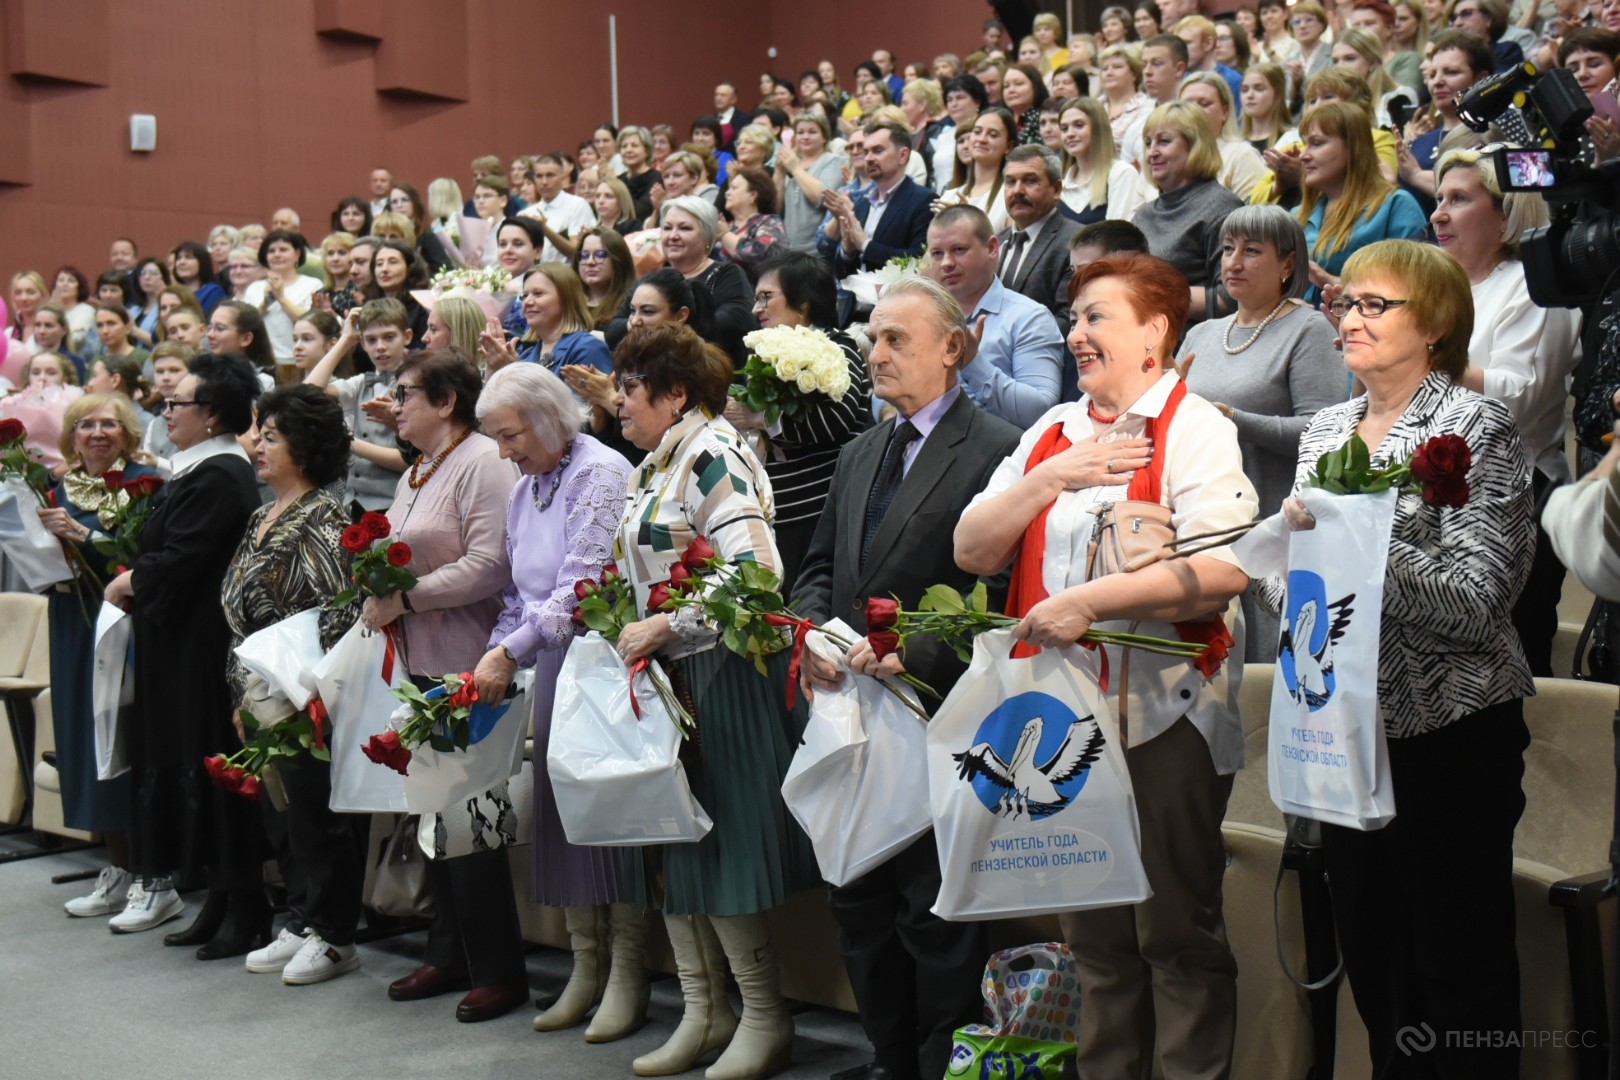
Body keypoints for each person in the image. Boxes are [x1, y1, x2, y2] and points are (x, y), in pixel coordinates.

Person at [956, 252, 1258, 1080]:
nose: (1075, 333)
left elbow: (1229, 569)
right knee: (1091, 936)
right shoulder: (1048, 431)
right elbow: (972, 546)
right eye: (1074, 315)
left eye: (1097, 317)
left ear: (1156, 332)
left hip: (1163, 714)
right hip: (1061, 721)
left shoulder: (1197, 426)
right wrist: (1049, 476)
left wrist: (1093, 602)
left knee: (1173, 934)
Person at [1269, 239, 1532, 1078]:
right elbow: (1297, 593)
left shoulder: (1474, 427)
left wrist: (1360, 542)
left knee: (1458, 964)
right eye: (1346, 302)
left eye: (1375, 305)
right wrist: (1291, 565)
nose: (1350, 317)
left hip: (1450, 729)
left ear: (1438, 323)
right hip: (1346, 731)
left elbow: (1478, 599)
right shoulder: (1327, 430)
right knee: (1375, 958)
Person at [792, 276, 1018, 1080]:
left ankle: (939, 1064)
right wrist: (811, 633)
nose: (875, 353)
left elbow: (1005, 593)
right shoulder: (860, 450)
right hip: (850, 714)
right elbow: (818, 567)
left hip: (939, 713)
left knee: (935, 913)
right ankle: (890, 1059)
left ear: (953, 349)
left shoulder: (1000, 445)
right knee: (857, 901)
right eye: (872, 339)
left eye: (896, 340)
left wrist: (914, 653)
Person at [607, 323, 817, 1079]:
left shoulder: (713, 456)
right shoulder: (653, 464)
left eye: (630, 388)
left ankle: (765, 1016)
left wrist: (667, 621)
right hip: (673, 682)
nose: (617, 400)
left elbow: (758, 575)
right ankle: (705, 1010)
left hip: (720, 678)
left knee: (719, 848)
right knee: (675, 847)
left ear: (676, 393)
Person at [471, 363, 643, 1038]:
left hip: (595, 662)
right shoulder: (526, 486)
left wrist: (507, 651)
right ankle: (586, 965)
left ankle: (626, 973)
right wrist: (493, 653)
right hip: (545, 664)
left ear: (547, 419)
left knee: (601, 819)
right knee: (560, 820)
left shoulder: (599, 471)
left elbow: (581, 588)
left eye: (511, 436)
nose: (505, 452)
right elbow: (520, 591)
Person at [360, 348, 526, 1023]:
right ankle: (447, 949)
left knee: (471, 818)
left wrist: (406, 600)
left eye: (404, 393)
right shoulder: (418, 470)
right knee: (434, 809)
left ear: (446, 401)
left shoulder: (483, 460)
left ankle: (500, 969)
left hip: (472, 661)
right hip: (420, 659)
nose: (392, 404)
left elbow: (491, 564)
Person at [102, 353, 265, 951]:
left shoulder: (222, 473)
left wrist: (131, 580)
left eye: (179, 403)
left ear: (214, 413)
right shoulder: (199, 469)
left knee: (214, 764)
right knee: (193, 760)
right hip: (179, 641)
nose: (167, 410)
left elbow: (184, 558)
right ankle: (218, 898)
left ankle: (244, 905)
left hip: (203, 645)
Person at [218, 385, 363, 985]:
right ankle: (302, 919)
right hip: (258, 687)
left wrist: (311, 695)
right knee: (284, 812)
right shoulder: (261, 513)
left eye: (270, 437)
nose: (255, 445)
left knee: (317, 811)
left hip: (304, 690)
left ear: (303, 448)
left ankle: (334, 934)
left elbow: (335, 612)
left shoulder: (326, 516)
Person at [1430, 148, 1580, 674]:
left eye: (1459, 199)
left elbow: (1519, 397)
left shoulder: (1533, 285)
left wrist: (1423, 354)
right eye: (1438, 198)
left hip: (1517, 495)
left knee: (1508, 668)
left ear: (1506, 216)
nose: (1438, 213)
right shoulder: (1434, 291)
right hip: (1438, 492)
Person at [1176, 205, 1346, 657]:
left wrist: (1232, 418)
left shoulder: (1307, 329)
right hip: (1202, 526)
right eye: (1228, 249)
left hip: (1272, 529)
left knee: (1261, 675)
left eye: (1252, 251)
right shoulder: (1202, 334)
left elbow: (1324, 429)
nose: (1233, 262)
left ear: (1288, 263)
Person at [39, 394, 159, 919]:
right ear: (70, 435)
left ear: (128, 433)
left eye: (109, 424)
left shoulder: (145, 484)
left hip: (123, 624)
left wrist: (86, 536)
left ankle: (152, 872)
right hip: (70, 622)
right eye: (85, 424)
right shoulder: (52, 489)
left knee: (125, 738)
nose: (97, 433)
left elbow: (148, 558)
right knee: (84, 742)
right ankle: (117, 865)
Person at [721, 252, 873, 590]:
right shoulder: (764, 355)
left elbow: (836, 421)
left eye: (765, 297)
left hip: (820, 511)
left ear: (803, 305)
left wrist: (757, 419)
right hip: (778, 511)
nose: (755, 309)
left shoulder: (839, 346)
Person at [926, 205, 1065, 428]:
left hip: (999, 457)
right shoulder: (925, 317)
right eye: (937, 253)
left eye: (959, 249)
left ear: (992, 248)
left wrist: (973, 363)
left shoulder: (1029, 318)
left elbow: (1042, 413)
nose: (946, 263)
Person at [1298, 102, 1428, 302]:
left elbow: (1416, 285)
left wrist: (1332, 281)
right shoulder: (1297, 215)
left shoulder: (1396, 206)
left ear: (1352, 148)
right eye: (1304, 144)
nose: (1303, 155)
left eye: (1317, 143)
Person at [608, 196, 758, 367]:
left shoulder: (727, 274)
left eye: (684, 228)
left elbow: (732, 323)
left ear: (707, 237)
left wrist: (653, 326)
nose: (673, 236)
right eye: (667, 228)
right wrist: (647, 322)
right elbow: (613, 329)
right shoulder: (653, 279)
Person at [1132, 101, 1246, 318]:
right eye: (1148, 143)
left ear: (1195, 146)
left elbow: (1231, 298)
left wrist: (1152, 296)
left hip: (1196, 341)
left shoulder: (1222, 208)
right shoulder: (1143, 215)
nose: (1152, 153)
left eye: (1164, 141)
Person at [305, 298, 413, 513]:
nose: (380, 347)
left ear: (407, 337)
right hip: (354, 503)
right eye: (371, 340)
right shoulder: (362, 382)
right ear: (362, 344)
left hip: (397, 503)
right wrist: (345, 340)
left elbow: (411, 460)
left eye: (389, 337)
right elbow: (308, 392)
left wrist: (348, 443)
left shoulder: (417, 384)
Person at [824, 120, 936, 276]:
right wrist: (847, 251)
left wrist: (865, 245)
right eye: (866, 151)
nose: (868, 158)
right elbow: (843, 273)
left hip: (898, 297)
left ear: (903, 155)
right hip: (857, 299)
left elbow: (920, 260)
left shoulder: (924, 201)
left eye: (877, 150)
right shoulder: (862, 204)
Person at [1399, 29, 1494, 198]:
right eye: (1432, 74)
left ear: (1481, 79)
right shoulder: (1418, 142)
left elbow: (1489, 193)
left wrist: (1416, 175)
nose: (1437, 82)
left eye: (1451, 72)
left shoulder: (1496, 132)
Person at [998, 145, 1082, 323]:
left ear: (1057, 189)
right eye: (1010, 182)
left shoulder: (1076, 241)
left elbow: (1069, 319)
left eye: (1030, 181)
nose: (1017, 191)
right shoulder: (996, 242)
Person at [491, 264, 613, 378]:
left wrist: (518, 373)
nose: (527, 302)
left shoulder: (588, 348)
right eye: (525, 295)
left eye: (538, 294)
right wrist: (493, 366)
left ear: (566, 299)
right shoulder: (525, 355)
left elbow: (577, 401)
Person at [1178, 72, 1272, 200]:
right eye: (1186, 105)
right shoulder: (1163, 156)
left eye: (1204, 103)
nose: (1194, 111)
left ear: (1224, 112)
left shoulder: (1240, 155)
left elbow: (1256, 215)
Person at [242, 231, 322, 369]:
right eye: (271, 251)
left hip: (298, 363)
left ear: (297, 254)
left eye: (283, 250)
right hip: (261, 363)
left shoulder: (313, 285)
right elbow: (244, 324)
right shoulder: (254, 288)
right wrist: (265, 303)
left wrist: (281, 298)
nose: (277, 254)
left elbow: (313, 323)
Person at [775, 112, 847, 253]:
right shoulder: (792, 164)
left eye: (812, 132)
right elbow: (776, 209)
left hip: (818, 252)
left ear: (825, 137)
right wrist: (779, 171)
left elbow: (822, 198)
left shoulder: (833, 161)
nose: (805, 137)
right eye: (800, 132)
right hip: (789, 251)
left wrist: (795, 169)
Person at [942, 108, 1018, 234]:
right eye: (977, 132)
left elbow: (1013, 249)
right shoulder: (950, 196)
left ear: (1009, 146)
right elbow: (932, 251)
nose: (981, 139)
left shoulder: (1012, 195)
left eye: (992, 135)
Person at [718, 166, 787, 283]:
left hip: (758, 295)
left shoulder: (770, 222)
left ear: (753, 195)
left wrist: (724, 236)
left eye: (734, 188)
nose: (727, 193)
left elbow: (760, 253)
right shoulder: (726, 226)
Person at [363, 238, 431, 346]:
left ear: (410, 268)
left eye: (393, 262)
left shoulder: (423, 305)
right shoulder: (368, 305)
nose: (384, 269)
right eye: (379, 264)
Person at [1097, 45, 1157, 162]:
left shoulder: (1148, 107)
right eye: (1105, 69)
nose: (1109, 72)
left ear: (1134, 73)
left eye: (1117, 67)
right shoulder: (1092, 106)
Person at [572, 227, 636, 331]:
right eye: (584, 255)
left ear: (618, 261)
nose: (590, 262)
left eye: (600, 254)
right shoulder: (568, 302)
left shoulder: (631, 303)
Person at [141, 341, 192, 472]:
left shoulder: (200, 417)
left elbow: (198, 468)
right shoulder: (155, 423)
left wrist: (158, 462)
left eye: (174, 370)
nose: (166, 377)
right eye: (159, 371)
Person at [207, 300, 277, 388]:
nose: (210, 334)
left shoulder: (262, 381)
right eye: (210, 327)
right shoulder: (203, 373)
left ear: (246, 339)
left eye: (220, 328)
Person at [1239, 62, 1293, 153]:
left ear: (1277, 94)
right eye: (1245, 90)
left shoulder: (1290, 140)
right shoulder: (1237, 143)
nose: (1249, 95)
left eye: (1259, 89)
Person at [1001, 62, 1051, 145]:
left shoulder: (1044, 119)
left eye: (1018, 84)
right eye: (1006, 86)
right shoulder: (1000, 120)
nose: (1011, 90)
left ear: (1035, 87)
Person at [93, 303, 152, 374]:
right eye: (100, 325)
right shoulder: (95, 363)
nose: (105, 331)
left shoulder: (144, 359)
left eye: (111, 324)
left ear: (127, 328)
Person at [170, 241, 224, 316]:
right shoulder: (173, 294)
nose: (181, 262)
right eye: (178, 258)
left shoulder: (213, 293)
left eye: (188, 257)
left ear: (202, 262)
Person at [128, 260, 169, 349]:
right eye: (143, 273)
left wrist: (133, 329)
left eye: (153, 273)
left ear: (164, 279)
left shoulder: (168, 308)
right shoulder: (133, 309)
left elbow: (161, 343)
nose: (146, 277)